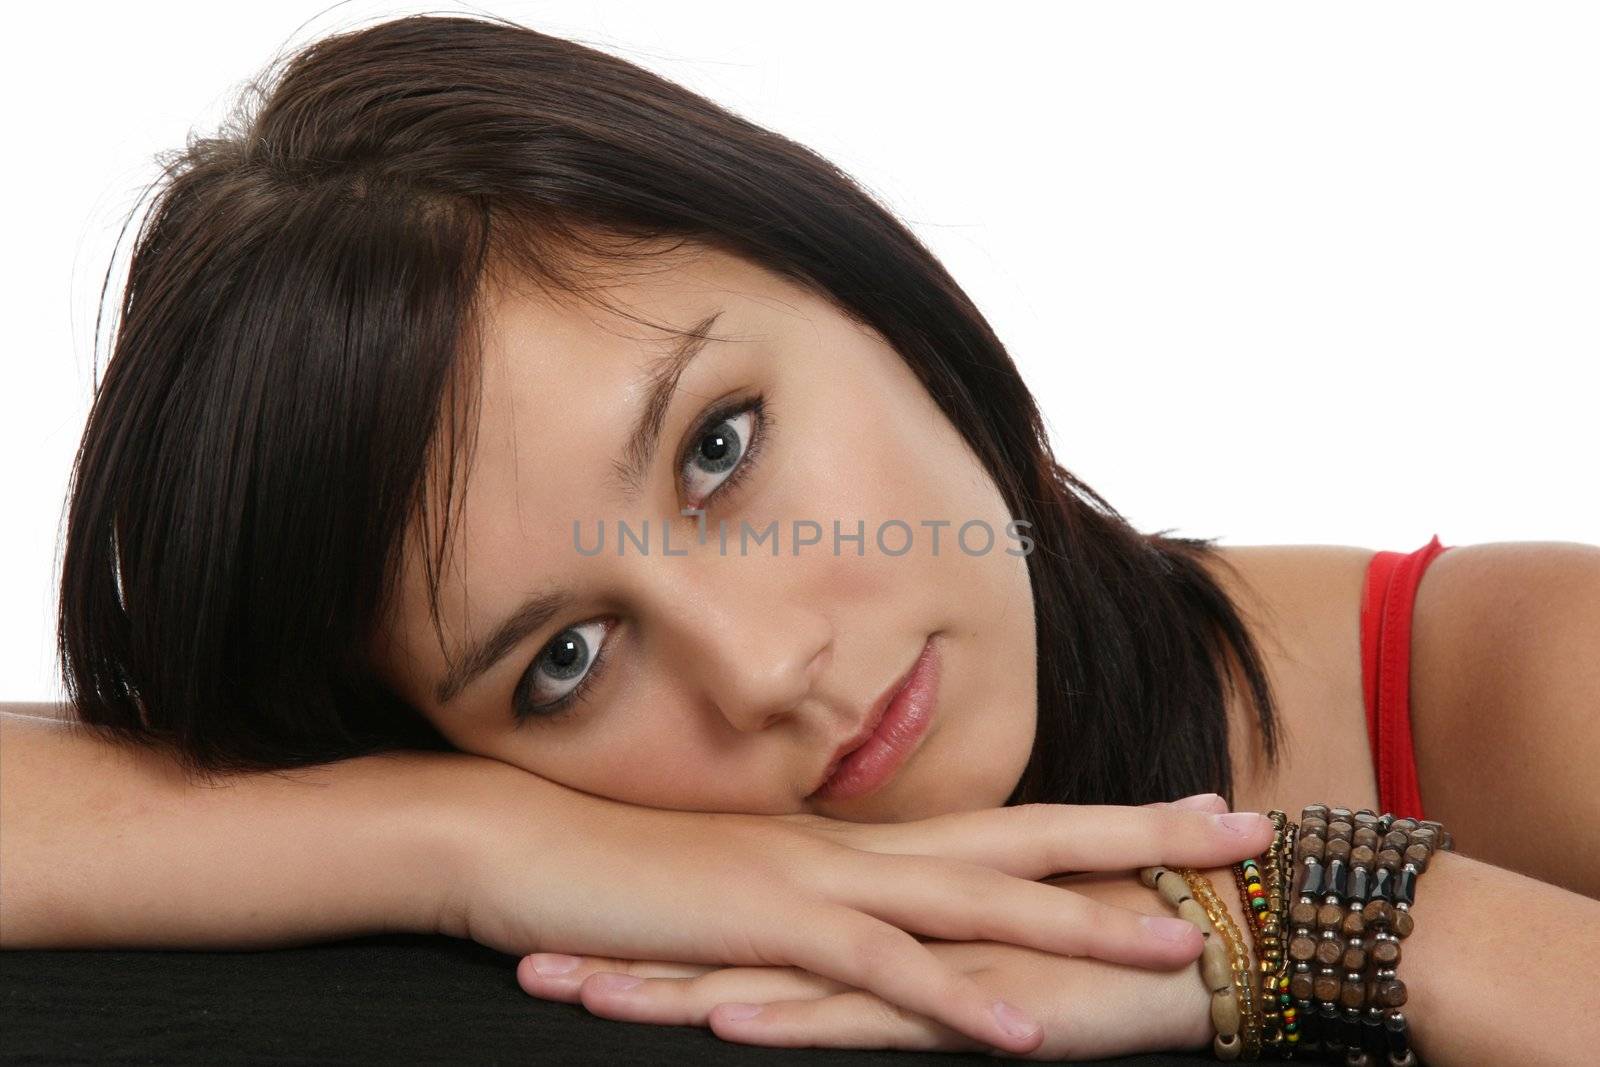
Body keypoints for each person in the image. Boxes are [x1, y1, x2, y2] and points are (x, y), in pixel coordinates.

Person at [2, 13, 1595, 1063]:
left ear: (859, 283)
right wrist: (466, 846)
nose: (765, 669)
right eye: (563, 661)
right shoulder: (530, 855)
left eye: (720, 448)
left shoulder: (1504, 688)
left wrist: (1362, 921)